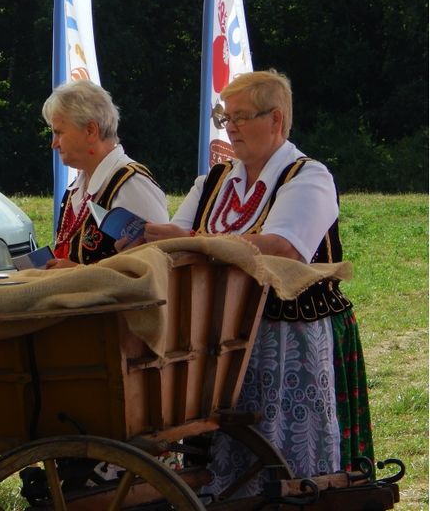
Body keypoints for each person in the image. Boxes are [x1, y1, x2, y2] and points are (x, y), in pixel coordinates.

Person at [138, 69, 372, 493]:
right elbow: (176, 245)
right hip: (215, 338)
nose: (231, 127)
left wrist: (193, 239)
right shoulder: (213, 181)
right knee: (222, 441)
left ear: (276, 119)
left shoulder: (308, 177)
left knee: (285, 444)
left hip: (286, 336)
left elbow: (282, 247)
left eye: (241, 117)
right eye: (226, 117)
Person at [41, 79, 169, 268]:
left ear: (91, 131)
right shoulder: (76, 190)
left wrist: (77, 273)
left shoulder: (132, 184)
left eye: (59, 133)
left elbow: (158, 268)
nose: (54, 144)